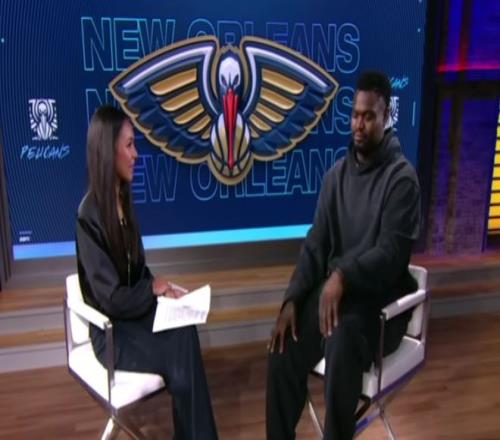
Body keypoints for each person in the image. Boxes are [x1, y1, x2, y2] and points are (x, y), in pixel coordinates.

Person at [266, 71, 421, 440]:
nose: (359, 125)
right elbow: (316, 243)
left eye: (369, 116)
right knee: (281, 347)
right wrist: (292, 299)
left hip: (377, 304)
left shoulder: (401, 179)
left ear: (386, 117)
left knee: (341, 341)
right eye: (355, 115)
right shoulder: (335, 176)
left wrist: (343, 275)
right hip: (335, 299)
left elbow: (390, 255)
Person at [76, 105, 218, 439]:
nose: (136, 154)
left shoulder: (124, 202)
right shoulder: (88, 215)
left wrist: (162, 291)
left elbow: (138, 270)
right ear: (107, 151)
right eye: (129, 145)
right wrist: (152, 290)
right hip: (112, 333)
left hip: (134, 316)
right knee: (180, 355)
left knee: (184, 330)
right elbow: (111, 298)